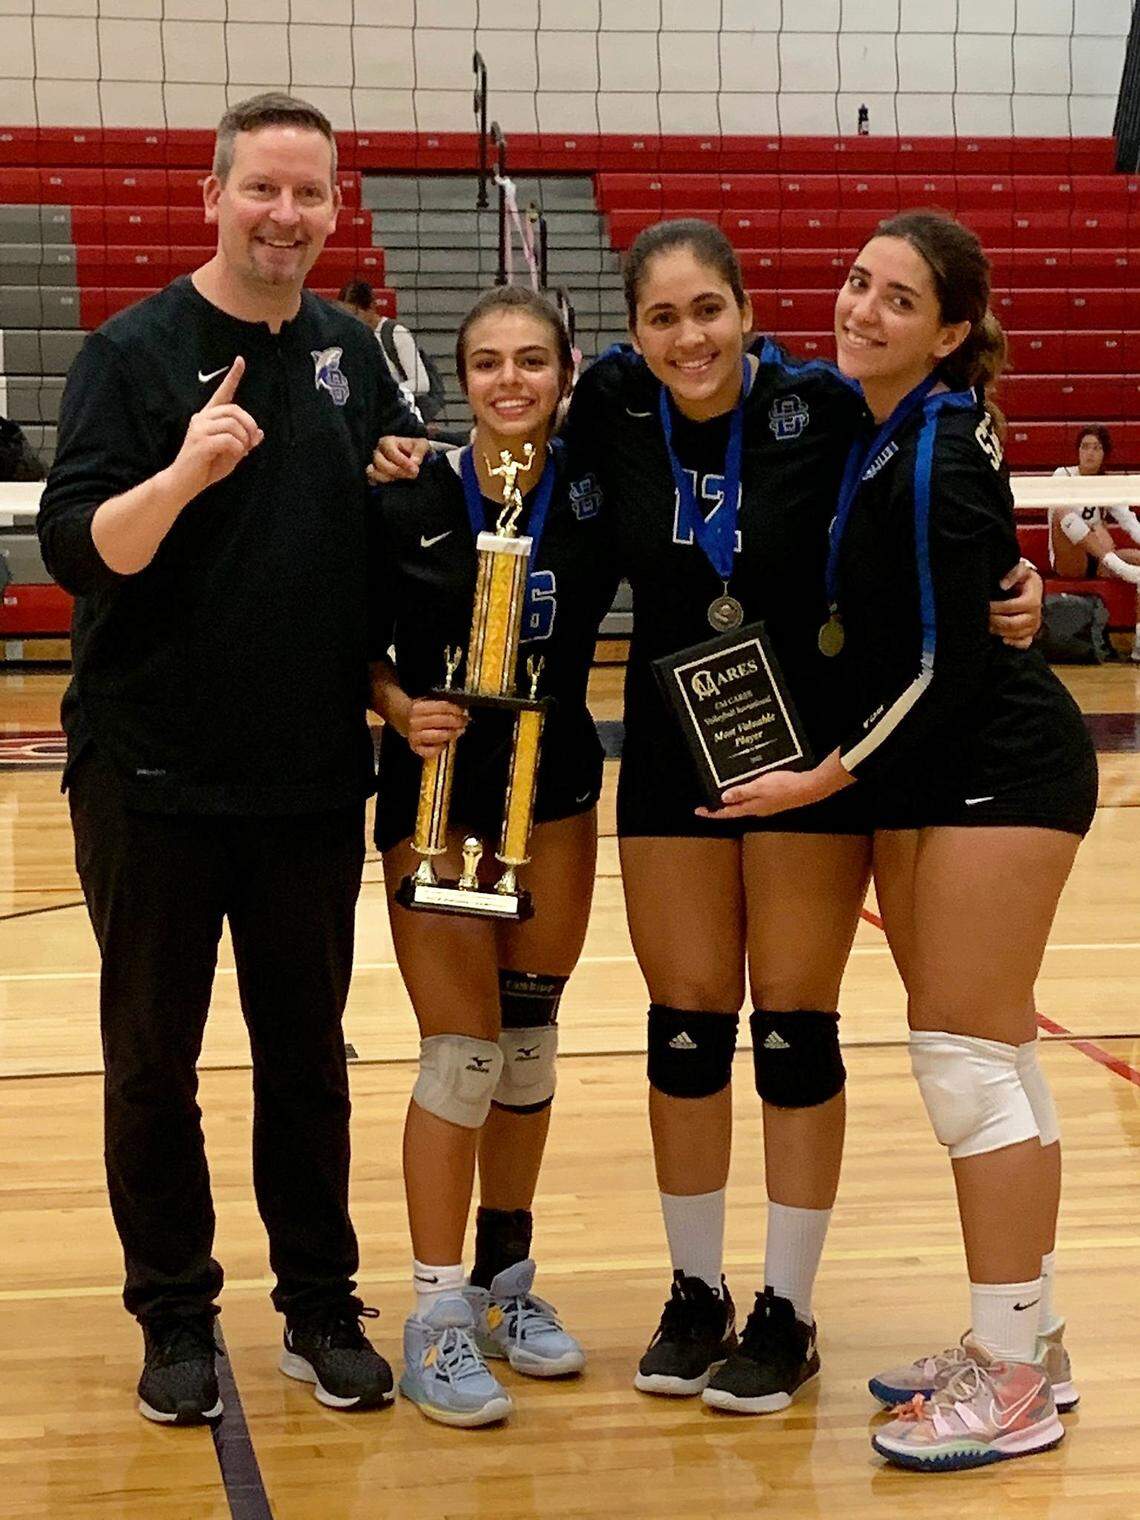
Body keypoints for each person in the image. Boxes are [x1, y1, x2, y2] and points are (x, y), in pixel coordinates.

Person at [371, 220, 1041, 1419]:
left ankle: (786, 1311)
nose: (690, 337)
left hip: (805, 752)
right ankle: (695, 1291)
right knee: (684, 1027)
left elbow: (940, 485)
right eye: (663, 318)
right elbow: (493, 443)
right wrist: (395, 454)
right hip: (677, 751)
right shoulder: (611, 410)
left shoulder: (823, 406)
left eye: (709, 311)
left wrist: (1016, 585)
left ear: (746, 311)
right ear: (629, 338)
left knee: (793, 1025)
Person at [36, 92, 422, 1426]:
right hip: (151, 774)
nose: (288, 216)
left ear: (334, 206)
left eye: (311, 195)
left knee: (309, 1057)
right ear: (213, 193)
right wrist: (186, 472)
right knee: (154, 1058)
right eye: (263, 188)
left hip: (310, 774)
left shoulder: (354, 354)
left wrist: (409, 493)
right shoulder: (133, 354)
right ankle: (176, 1316)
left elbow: (378, 554)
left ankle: (320, 1306)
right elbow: (83, 553)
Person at [709, 210, 1095, 1471]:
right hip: (949, 769)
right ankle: (1023, 1343)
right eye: (857, 281)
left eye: (897, 296)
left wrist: (821, 774)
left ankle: (1009, 1379)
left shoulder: (935, 449)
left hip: (997, 763)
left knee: (966, 1059)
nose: (862, 307)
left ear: (950, 330)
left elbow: (941, 658)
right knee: (991, 1051)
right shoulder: (891, 422)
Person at [368, 285, 616, 1425]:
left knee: (525, 1046)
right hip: (437, 798)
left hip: (554, 795)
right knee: (458, 1055)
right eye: (485, 362)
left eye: (531, 361)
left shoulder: (599, 489)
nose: (509, 380)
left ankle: (505, 1282)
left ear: (567, 375)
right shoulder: (410, 485)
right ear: (455, 377)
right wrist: (395, 701)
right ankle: (433, 1312)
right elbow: (342, 635)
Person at [1049, 425, 1140, 660]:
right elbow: (1061, 518)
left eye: (1097, 448)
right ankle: (1113, 562)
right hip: (1069, 559)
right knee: (1062, 512)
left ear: (1104, 454)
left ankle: (1139, 644)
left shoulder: (1106, 483)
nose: (1089, 453)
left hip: (1100, 558)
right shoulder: (1063, 474)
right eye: (1084, 447)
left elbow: (1130, 522)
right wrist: (1096, 528)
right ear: (1077, 451)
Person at [338, 278, 449, 431]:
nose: (351, 319)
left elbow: (421, 384)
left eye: (356, 313)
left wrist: (386, 392)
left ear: (371, 307)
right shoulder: (352, 337)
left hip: (401, 412)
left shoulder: (395, 333)